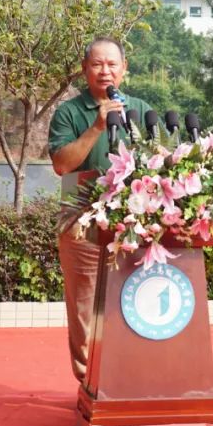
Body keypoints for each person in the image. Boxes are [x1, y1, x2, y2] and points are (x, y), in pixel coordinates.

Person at [48, 37, 154, 384]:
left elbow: (156, 161)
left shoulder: (139, 108)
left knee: (132, 302)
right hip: (82, 225)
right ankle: (90, 385)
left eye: (112, 64)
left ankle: (128, 382)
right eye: (97, 64)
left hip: (133, 225)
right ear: (85, 70)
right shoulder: (69, 112)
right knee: (85, 309)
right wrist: (97, 125)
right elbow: (62, 165)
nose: (105, 70)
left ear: (124, 69)